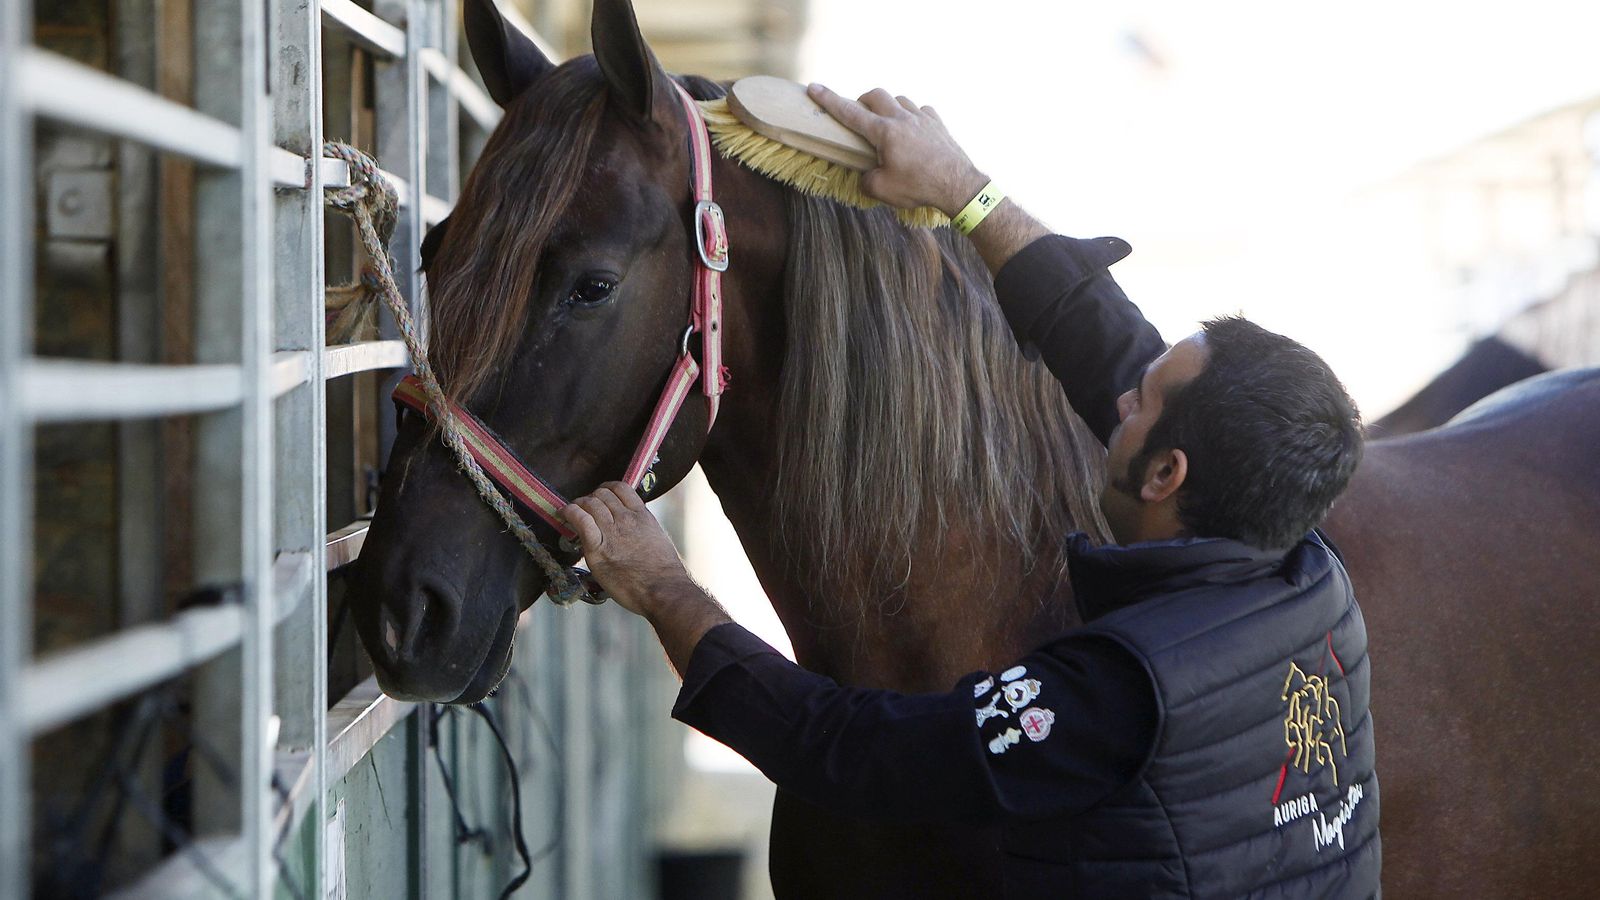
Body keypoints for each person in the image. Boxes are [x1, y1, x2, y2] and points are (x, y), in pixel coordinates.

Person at [561, 84, 1379, 898]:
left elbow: (850, 752)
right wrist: (963, 191)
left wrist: (666, 591)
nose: (1116, 399)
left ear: (1168, 475)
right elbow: (1105, 342)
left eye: (1142, 403)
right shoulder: (1310, 575)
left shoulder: (1118, 697)